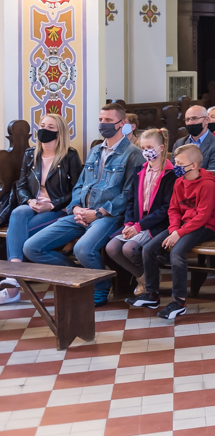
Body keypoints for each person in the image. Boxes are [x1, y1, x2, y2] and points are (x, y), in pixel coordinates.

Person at [24, 104, 142, 305]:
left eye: (108, 120)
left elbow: (129, 193)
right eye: (101, 120)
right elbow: (80, 185)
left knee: (83, 249)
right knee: (32, 247)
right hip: (80, 213)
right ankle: (85, 276)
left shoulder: (133, 153)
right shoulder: (95, 150)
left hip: (109, 216)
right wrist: (76, 208)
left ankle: (100, 286)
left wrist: (98, 213)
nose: (102, 124)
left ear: (121, 123)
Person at [128, 144, 215, 320]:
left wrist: (178, 234)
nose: (176, 166)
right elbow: (174, 209)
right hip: (181, 227)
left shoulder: (208, 185)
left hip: (204, 227)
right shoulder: (179, 182)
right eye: (175, 162)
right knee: (148, 249)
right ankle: (152, 295)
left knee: (177, 253)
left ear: (194, 165)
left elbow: (203, 216)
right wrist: (173, 230)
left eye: (180, 163)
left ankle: (179, 302)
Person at [0, 113, 83, 304]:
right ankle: (14, 275)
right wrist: (29, 201)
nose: (44, 130)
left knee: (17, 232)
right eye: (42, 125)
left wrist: (52, 204)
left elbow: (77, 189)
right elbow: (21, 185)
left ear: (60, 132)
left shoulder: (69, 156)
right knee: (18, 212)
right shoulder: (31, 154)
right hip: (33, 206)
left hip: (57, 209)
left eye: (50, 127)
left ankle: (12, 283)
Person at [103, 129, 174, 297]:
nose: (146, 151)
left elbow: (166, 209)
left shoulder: (170, 174)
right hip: (136, 221)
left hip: (157, 224)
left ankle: (149, 280)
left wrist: (139, 226)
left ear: (161, 148)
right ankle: (144, 276)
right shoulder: (138, 171)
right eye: (143, 148)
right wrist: (129, 223)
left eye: (150, 147)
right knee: (111, 248)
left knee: (129, 249)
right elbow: (131, 201)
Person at [173, 105, 215, 171]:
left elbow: (214, 174)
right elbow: (173, 170)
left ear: (206, 120)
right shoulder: (179, 143)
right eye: (187, 119)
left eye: (194, 118)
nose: (190, 122)